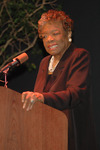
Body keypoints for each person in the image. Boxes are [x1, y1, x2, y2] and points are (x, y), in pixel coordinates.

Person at [22, 10, 97, 150]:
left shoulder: (78, 56)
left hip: (70, 136)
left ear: (68, 34)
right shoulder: (45, 63)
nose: (49, 39)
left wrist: (41, 98)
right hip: (44, 135)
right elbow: (38, 97)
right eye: (44, 36)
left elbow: (74, 94)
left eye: (55, 33)